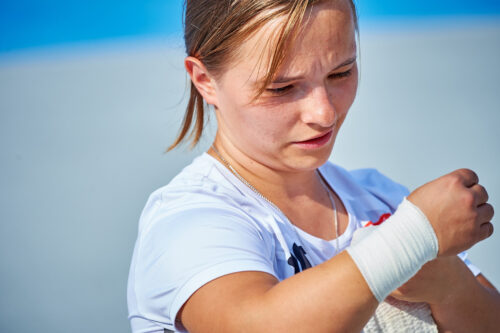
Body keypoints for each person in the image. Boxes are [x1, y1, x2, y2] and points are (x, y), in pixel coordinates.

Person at [127, 0, 500, 332]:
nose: (325, 113)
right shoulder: (186, 220)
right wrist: (413, 238)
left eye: (341, 73)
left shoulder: (380, 196)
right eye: (282, 88)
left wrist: (449, 284)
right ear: (205, 80)